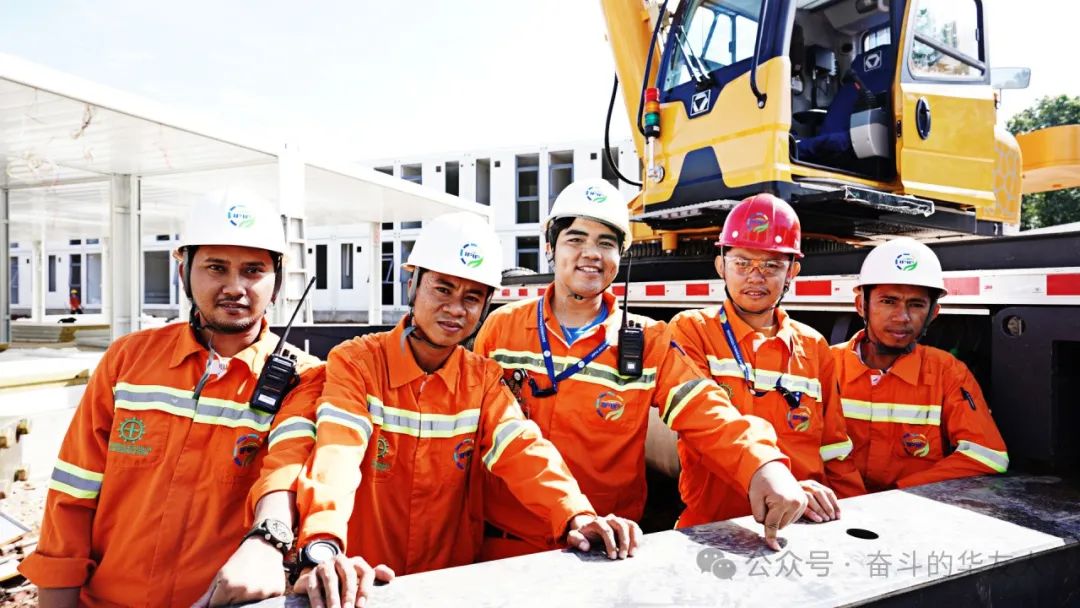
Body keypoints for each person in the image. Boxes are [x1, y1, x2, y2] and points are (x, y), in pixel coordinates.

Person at [233, 212, 641, 608]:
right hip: (363, 582)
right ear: (412, 283)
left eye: (472, 297)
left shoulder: (482, 379)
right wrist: (323, 544)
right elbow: (337, 453)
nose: (455, 309)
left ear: (486, 305)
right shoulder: (358, 362)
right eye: (442, 289)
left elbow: (524, 451)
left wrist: (575, 515)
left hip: (448, 584)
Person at [474, 180, 806, 561]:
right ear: (549, 247)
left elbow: (704, 406)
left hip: (605, 548)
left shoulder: (648, 341)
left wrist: (762, 463)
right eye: (575, 239)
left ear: (622, 255)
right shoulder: (501, 330)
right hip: (506, 547)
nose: (591, 254)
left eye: (606, 243)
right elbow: (494, 437)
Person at [20, 191, 323, 608]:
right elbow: (73, 491)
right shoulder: (128, 360)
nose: (234, 287)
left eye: (253, 270)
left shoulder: (304, 378)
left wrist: (268, 540)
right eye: (215, 267)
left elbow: (284, 474)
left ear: (278, 280)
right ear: (184, 270)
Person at [669, 194, 865, 528]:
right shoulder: (692, 330)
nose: (756, 277)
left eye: (771, 265)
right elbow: (705, 418)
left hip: (801, 524)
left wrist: (855, 518)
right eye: (742, 263)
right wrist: (772, 473)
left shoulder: (813, 346)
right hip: (713, 526)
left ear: (793, 272)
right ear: (721, 266)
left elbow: (834, 449)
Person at [832, 237, 1008, 491]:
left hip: (909, 509)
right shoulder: (825, 364)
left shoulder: (948, 372)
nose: (902, 317)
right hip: (831, 508)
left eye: (916, 305)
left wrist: (897, 495)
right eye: (888, 301)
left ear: (933, 313)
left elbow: (987, 456)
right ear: (861, 305)